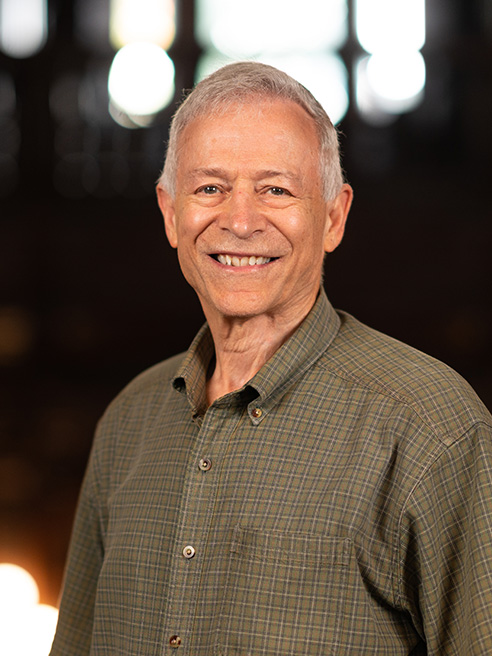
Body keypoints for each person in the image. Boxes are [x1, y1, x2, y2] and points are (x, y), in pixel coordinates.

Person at [50, 62, 492, 655]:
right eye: (210, 188)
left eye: (275, 189)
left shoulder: (430, 428)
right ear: (170, 213)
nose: (239, 220)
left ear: (334, 216)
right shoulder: (128, 423)